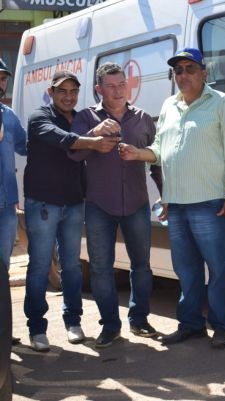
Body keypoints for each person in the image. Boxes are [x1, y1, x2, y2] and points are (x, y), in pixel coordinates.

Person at [119, 48, 225, 349]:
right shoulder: (169, 106)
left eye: (190, 68)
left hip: (210, 203)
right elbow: (162, 150)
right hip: (176, 205)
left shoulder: (221, 103)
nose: (183, 75)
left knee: (217, 269)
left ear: (205, 72)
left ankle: (222, 326)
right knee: (186, 270)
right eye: (178, 70)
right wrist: (139, 153)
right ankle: (191, 324)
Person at [23, 70, 119, 352]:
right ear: (51, 93)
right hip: (42, 203)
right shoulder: (39, 117)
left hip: (74, 203)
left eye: (73, 91)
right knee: (40, 266)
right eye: (62, 91)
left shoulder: (80, 117)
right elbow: (63, 139)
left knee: (73, 267)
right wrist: (95, 140)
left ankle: (72, 321)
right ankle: (37, 329)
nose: (68, 96)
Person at [70, 62, 162, 348]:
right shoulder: (86, 117)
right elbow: (73, 156)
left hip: (136, 202)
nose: (118, 90)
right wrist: (95, 132)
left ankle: (139, 319)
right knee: (100, 268)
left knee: (142, 266)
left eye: (122, 84)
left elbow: (156, 158)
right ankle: (110, 326)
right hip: (99, 204)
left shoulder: (143, 118)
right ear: (99, 89)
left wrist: (166, 194)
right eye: (111, 85)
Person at [0, 58, 27, 347]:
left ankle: (4, 330)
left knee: (2, 270)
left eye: (3, 78)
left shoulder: (9, 116)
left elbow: (26, 145)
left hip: (6, 207)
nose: (1, 82)